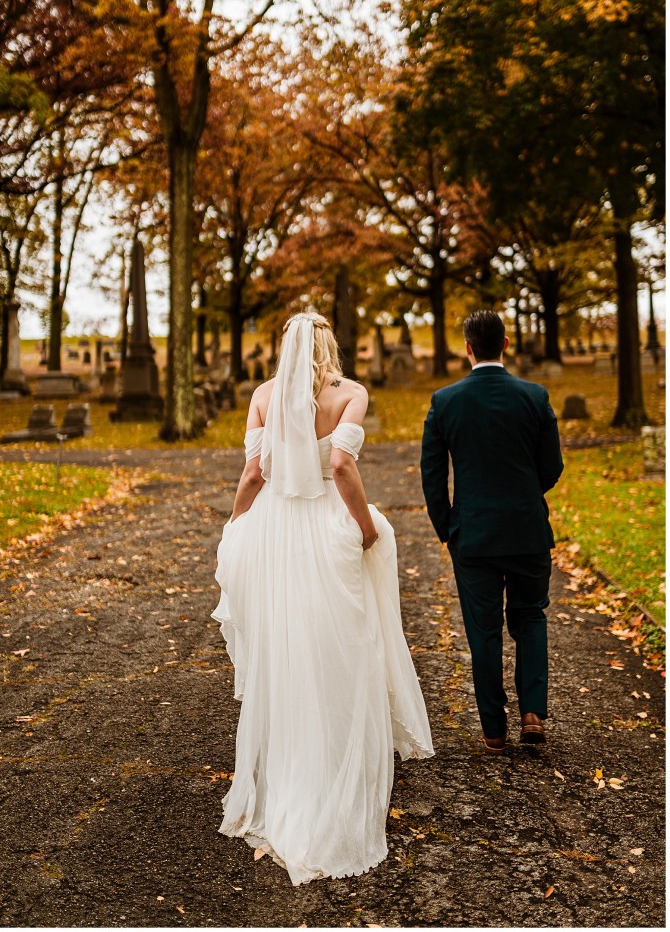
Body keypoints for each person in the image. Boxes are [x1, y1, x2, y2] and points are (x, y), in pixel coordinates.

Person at [213, 311, 434, 885]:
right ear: (328, 345)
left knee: (286, 647)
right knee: (343, 645)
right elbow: (340, 465)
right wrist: (364, 528)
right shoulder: (351, 394)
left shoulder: (263, 395)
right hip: (325, 529)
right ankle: (339, 763)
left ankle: (291, 770)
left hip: (276, 531)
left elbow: (254, 474)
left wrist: (237, 526)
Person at [420, 310, 564, 754]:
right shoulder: (535, 397)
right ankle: (534, 713)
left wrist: (448, 527)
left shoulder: (445, 401)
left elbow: (431, 473)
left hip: (474, 535)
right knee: (530, 616)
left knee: (482, 630)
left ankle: (494, 731)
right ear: (505, 344)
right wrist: (521, 494)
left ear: (467, 347)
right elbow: (552, 467)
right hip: (526, 530)